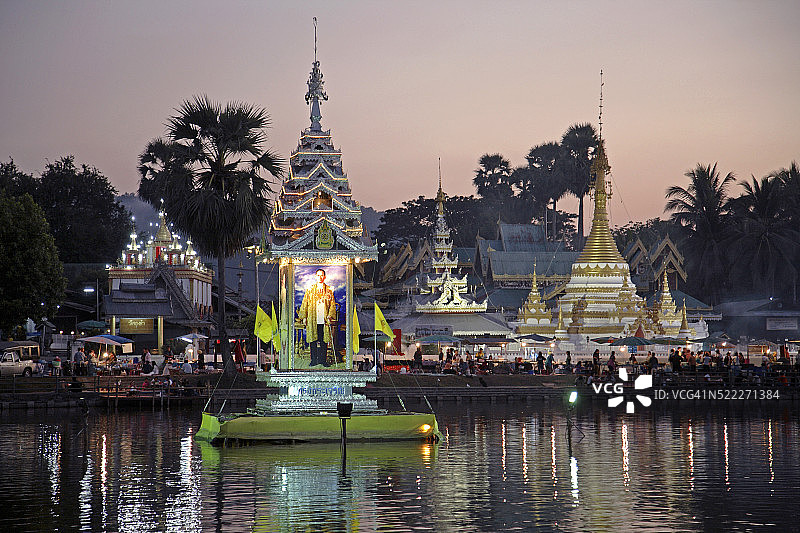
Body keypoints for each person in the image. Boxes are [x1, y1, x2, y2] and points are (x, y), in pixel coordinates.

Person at [297, 268, 337, 366]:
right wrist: (304, 316)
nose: (320, 277)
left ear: (325, 277)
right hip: (312, 319)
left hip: (324, 319)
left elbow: (332, 304)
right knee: (313, 340)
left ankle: (323, 360)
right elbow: (305, 303)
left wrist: (330, 315)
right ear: (315, 276)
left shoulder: (328, 290)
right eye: (318, 275)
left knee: (324, 340)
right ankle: (314, 360)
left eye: (322, 275)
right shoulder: (310, 289)